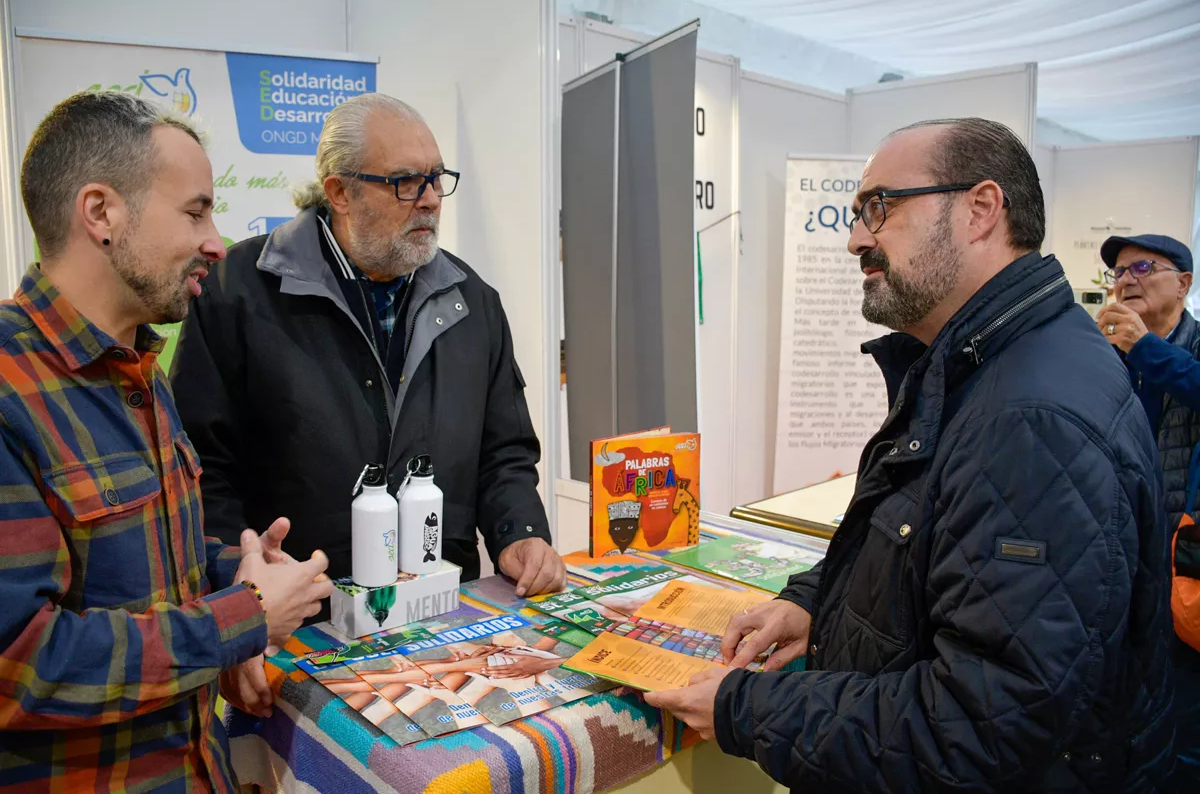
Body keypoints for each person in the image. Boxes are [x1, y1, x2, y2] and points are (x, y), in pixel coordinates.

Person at [646, 118, 1177, 791]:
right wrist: (818, 605)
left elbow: (982, 724)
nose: (855, 239)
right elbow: (926, 545)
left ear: (980, 210)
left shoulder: (1031, 417)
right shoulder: (980, 364)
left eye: (879, 207)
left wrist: (744, 709)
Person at [0, 91, 332, 791]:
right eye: (196, 211)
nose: (217, 241)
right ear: (100, 213)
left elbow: (135, 574)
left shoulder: (141, 371)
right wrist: (243, 618)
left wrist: (233, 571)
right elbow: (20, 665)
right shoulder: (9, 390)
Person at [171, 93, 566, 603]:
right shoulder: (237, 292)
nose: (429, 199)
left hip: (442, 612)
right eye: (405, 182)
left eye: (436, 178)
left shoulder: (473, 302)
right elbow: (203, 470)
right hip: (302, 616)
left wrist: (521, 533)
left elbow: (504, 453)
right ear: (339, 192)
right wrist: (237, 591)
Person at [1096, 233, 1200, 775]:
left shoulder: (1188, 345)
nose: (1126, 278)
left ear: (1182, 283)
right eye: (1117, 272)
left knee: (1182, 712)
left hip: (1184, 565)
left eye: (1141, 266)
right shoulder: (1110, 354)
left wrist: (1147, 350)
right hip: (1117, 553)